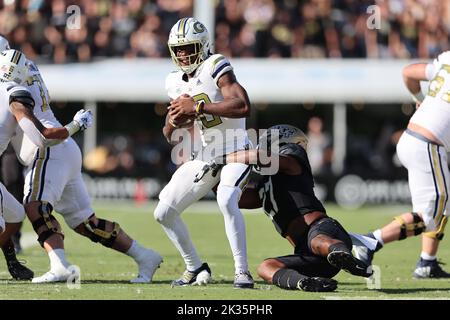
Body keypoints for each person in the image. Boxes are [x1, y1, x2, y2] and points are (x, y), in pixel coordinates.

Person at [2, 49, 163, 284]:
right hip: (65, 150)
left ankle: (60, 265)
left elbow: (40, 136)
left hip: (48, 150)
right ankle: (144, 255)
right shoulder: (27, 70)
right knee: (86, 223)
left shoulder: (12, 87)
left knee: (35, 205)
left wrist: (74, 126)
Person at [194, 125, 372, 292]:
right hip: (307, 254)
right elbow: (233, 198)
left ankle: (347, 258)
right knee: (265, 268)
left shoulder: (292, 162)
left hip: (321, 228)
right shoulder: (264, 186)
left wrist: (224, 159)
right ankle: (305, 282)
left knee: (317, 242)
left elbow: (262, 157)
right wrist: (214, 176)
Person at [156, 17, 254, 288]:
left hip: (236, 149)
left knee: (226, 199)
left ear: (203, 45)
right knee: (163, 212)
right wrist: (175, 120)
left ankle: (242, 272)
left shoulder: (215, 65)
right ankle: (195, 267)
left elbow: (242, 105)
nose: (183, 54)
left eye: (189, 47)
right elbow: (169, 132)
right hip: (205, 156)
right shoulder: (174, 81)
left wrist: (198, 109)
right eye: (179, 49)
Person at [354, 51, 450, 278]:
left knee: (442, 204)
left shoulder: (446, 59)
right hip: (429, 144)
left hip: (414, 137)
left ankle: (427, 262)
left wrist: (420, 99)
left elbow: (408, 73)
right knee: (428, 216)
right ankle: (369, 241)